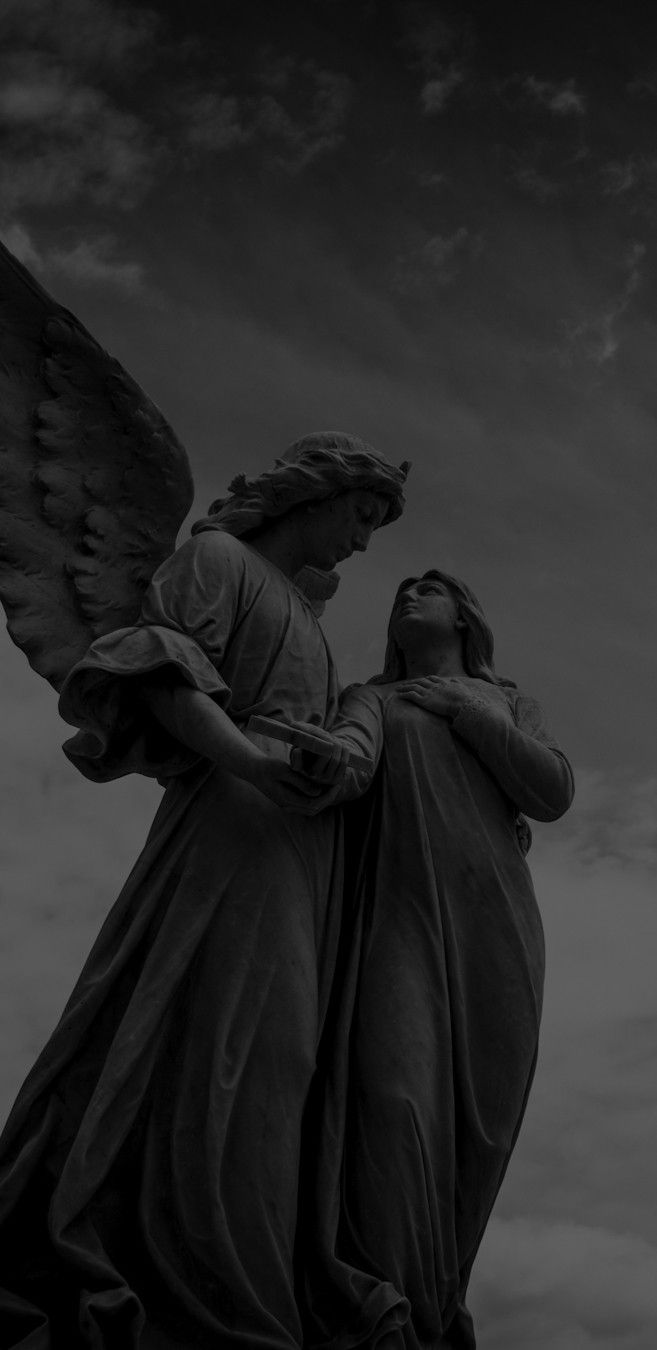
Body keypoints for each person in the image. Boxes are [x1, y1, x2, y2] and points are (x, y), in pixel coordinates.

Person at [0, 432, 408, 1350]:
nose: (363, 541)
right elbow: (163, 680)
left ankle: (244, 1286)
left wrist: (332, 766)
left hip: (298, 857)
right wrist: (256, 767)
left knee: (281, 1063)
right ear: (316, 495)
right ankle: (200, 1297)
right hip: (229, 831)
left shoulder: (306, 615)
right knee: (217, 1047)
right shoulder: (218, 560)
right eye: (362, 515)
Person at [298, 569, 575, 1349]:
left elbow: (551, 790)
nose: (407, 594)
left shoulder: (503, 698)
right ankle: (383, 1312)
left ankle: (435, 1303)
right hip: (398, 924)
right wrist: (325, 760)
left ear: (464, 615)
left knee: (478, 1136)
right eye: (400, 592)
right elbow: (353, 756)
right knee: (392, 1103)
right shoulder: (371, 698)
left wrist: (462, 711)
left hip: (497, 927)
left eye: (429, 588)